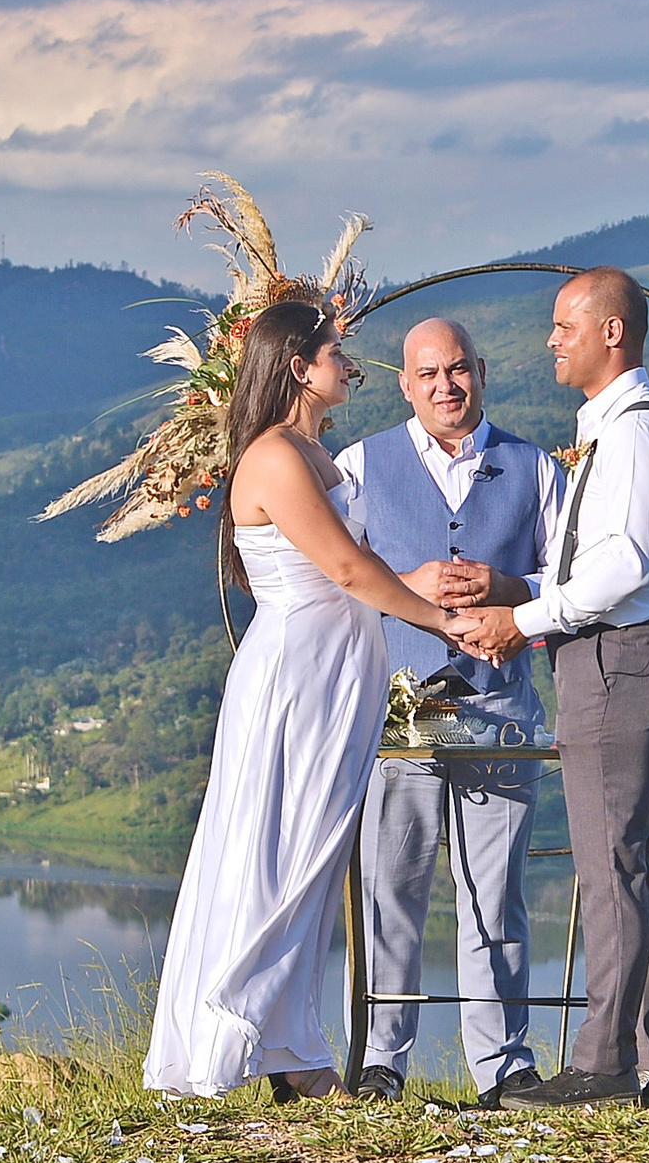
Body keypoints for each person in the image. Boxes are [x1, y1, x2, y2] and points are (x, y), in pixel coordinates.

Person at [143, 300, 486, 1101]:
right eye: (337, 352)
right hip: (296, 680)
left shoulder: (314, 452)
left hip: (338, 678)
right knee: (276, 851)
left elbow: (366, 562)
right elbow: (345, 569)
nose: (349, 365)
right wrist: (440, 621)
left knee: (315, 853)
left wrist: (428, 591)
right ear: (299, 366)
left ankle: (289, 1043)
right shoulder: (272, 457)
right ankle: (237, 1031)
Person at [459, 268, 649, 1110]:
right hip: (620, 656)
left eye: (565, 325)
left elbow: (624, 568)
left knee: (609, 868)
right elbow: (595, 564)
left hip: (615, 664)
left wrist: (521, 622)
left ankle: (603, 1066)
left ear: (611, 332)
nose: (551, 339)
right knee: (638, 864)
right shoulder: (621, 428)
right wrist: (512, 591)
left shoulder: (632, 436)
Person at [333, 318, 566, 1109]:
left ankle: (503, 1064)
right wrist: (411, 583)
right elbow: (335, 578)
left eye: (458, 369)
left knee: (495, 894)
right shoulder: (361, 465)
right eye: (428, 373)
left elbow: (570, 582)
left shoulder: (536, 468)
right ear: (405, 383)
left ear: (482, 371)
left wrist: (508, 589)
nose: (445, 385)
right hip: (401, 710)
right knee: (389, 889)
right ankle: (380, 1059)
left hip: (500, 709)